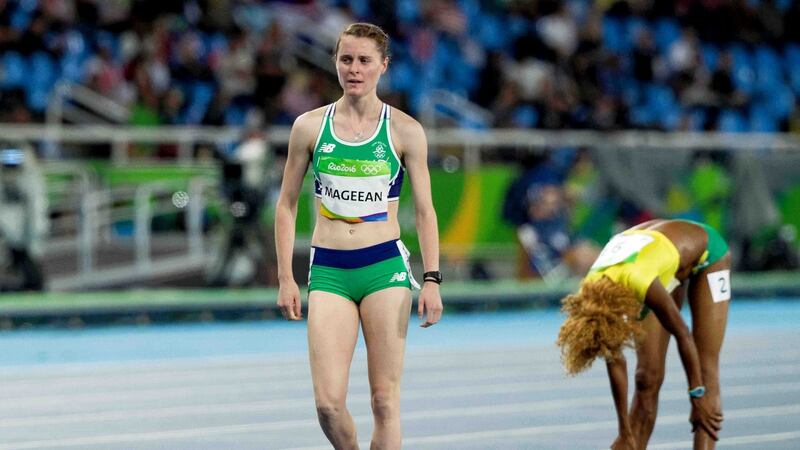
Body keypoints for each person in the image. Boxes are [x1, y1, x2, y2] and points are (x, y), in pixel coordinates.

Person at [274, 23, 443, 449]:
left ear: (383, 66)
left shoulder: (405, 131)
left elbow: (424, 211)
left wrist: (432, 279)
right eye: (346, 59)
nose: (354, 69)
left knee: (385, 401)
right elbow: (286, 205)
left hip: (383, 267)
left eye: (364, 60)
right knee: (328, 405)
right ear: (335, 62)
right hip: (330, 270)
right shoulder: (309, 128)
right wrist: (285, 277)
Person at [557, 219, 730, 449]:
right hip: (658, 259)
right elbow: (614, 361)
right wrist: (624, 431)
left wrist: (696, 395)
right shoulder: (589, 296)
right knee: (646, 377)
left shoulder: (638, 280)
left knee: (706, 371)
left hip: (708, 254)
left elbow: (682, 334)